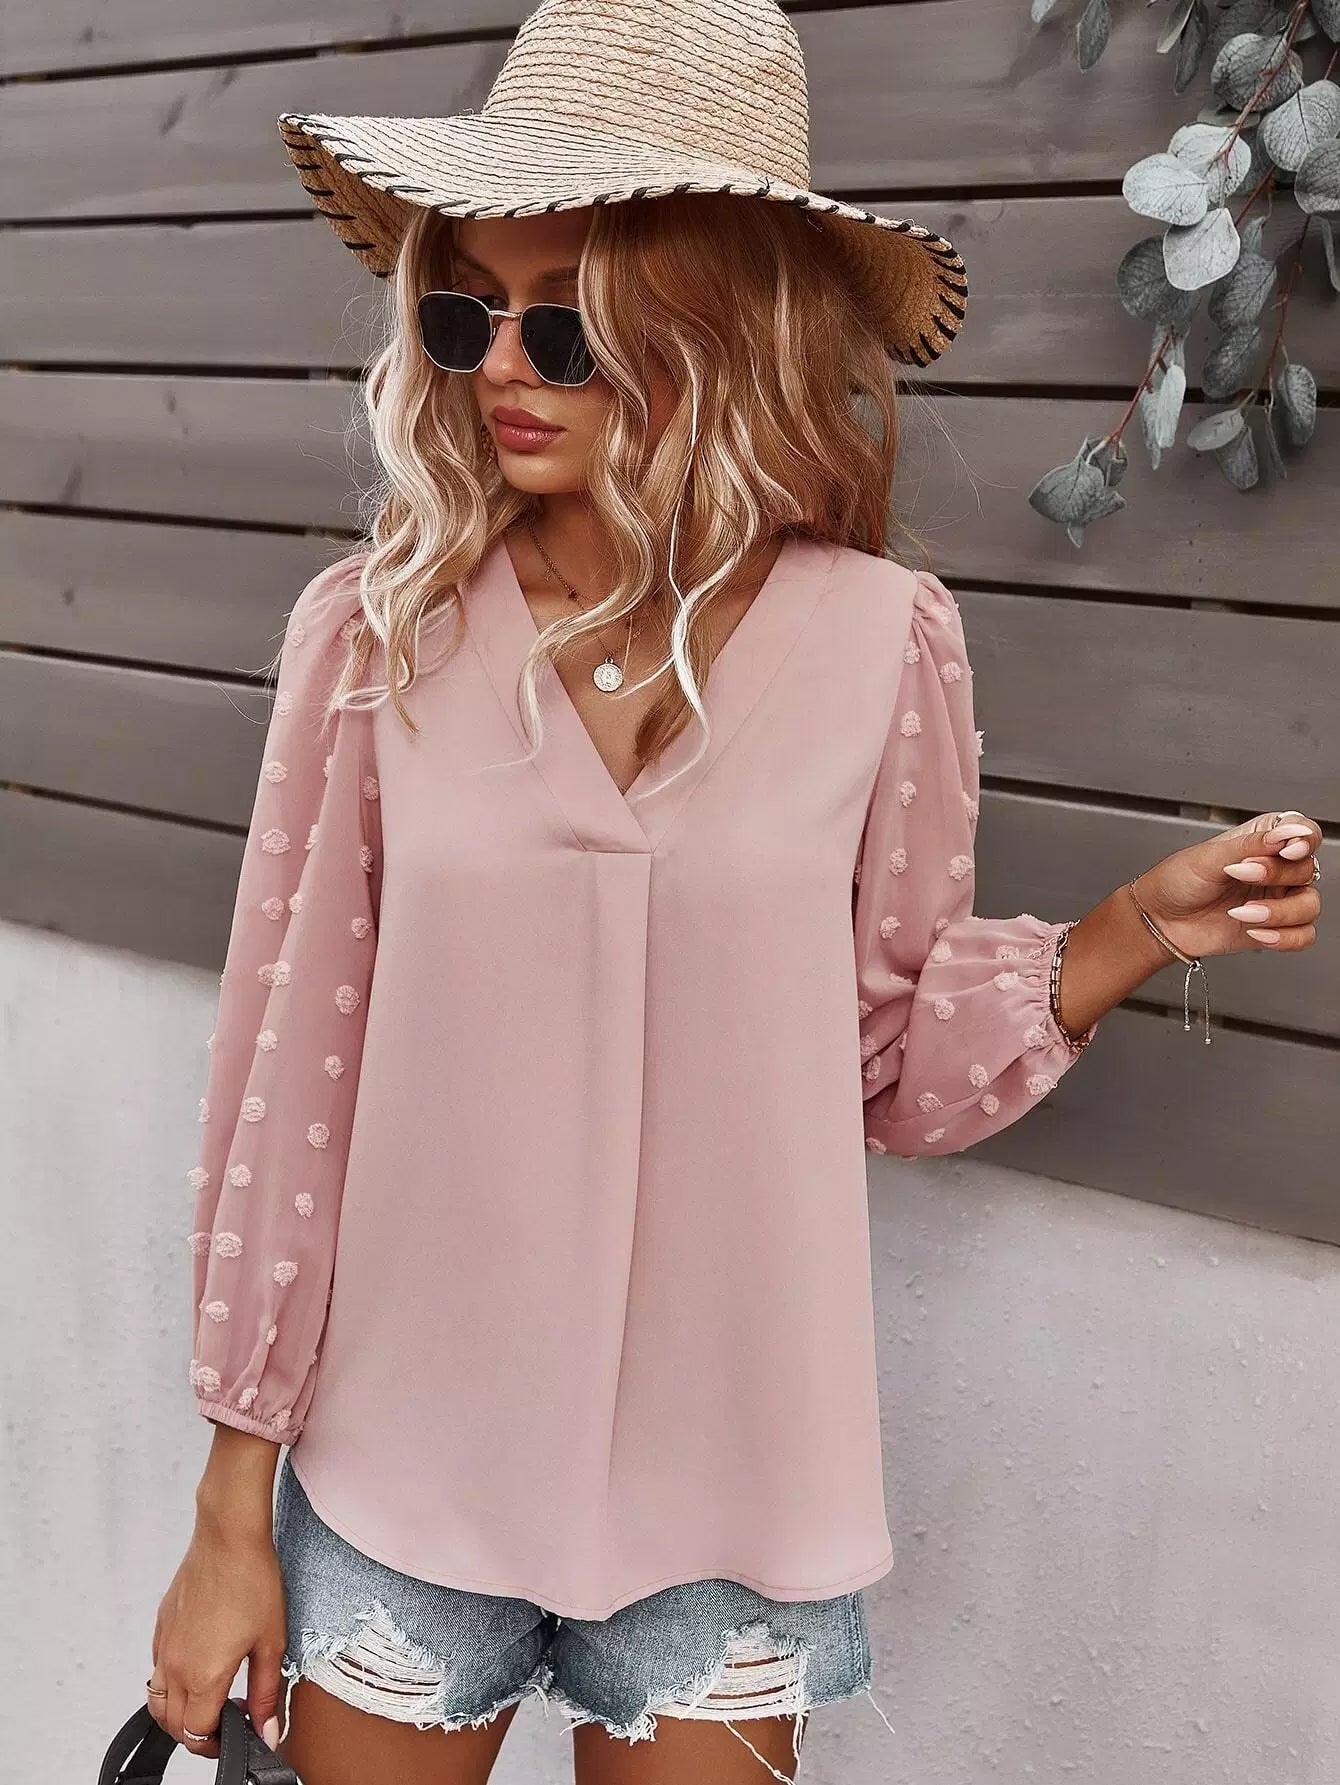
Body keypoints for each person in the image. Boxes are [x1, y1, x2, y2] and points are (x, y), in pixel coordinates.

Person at [145, 3, 1324, 1781]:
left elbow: (884, 1059)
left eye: (567, 325)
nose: (500, 368)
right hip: (406, 1456)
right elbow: (285, 1081)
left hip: (734, 1483)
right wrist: (231, 1506)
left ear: (716, 328)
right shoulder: (374, 639)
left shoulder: (883, 643)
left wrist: (1131, 930)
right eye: (464, 311)